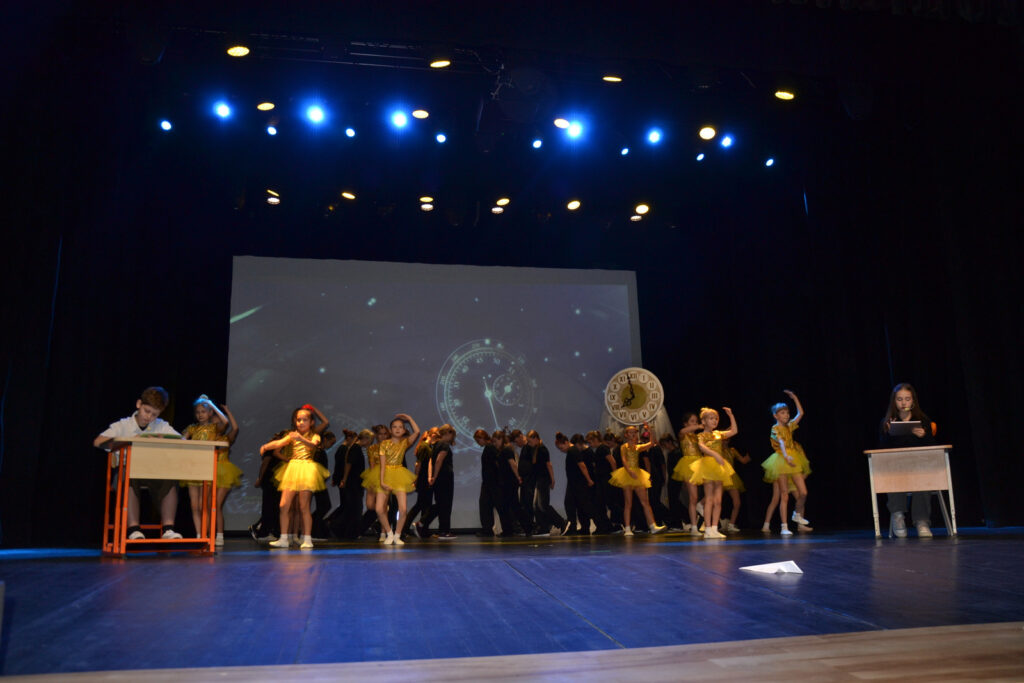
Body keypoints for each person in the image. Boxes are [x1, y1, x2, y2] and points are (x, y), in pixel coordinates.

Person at [93, 386, 183, 540]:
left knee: (171, 478)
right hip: (127, 471)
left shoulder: (161, 425)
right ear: (139, 404)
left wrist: (163, 439)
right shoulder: (123, 425)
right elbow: (98, 441)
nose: (149, 417)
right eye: (147, 411)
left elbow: (181, 440)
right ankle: (133, 529)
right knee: (128, 475)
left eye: (154, 414)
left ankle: (168, 529)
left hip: (152, 472)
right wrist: (127, 441)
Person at [259, 405, 330, 549]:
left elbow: (312, 446)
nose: (301, 422)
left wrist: (300, 438)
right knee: (284, 505)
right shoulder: (292, 435)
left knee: (304, 506)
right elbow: (279, 443)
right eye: (298, 420)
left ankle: (307, 539)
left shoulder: (314, 436)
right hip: (292, 469)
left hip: (306, 469)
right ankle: (284, 538)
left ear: (311, 422)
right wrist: (266, 446)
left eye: (304, 420)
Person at [181, 395, 243, 547]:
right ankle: (199, 535)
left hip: (208, 467)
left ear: (210, 413)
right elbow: (182, 439)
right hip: (194, 466)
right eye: (197, 412)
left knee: (205, 504)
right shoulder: (192, 428)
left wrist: (210, 404)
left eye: (203, 411)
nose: (200, 414)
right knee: (194, 505)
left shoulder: (214, 429)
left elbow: (226, 423)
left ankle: (207, 534)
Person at [879, 383, 936, 538]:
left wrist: (923, 436)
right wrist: (889, 434)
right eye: (899, 399)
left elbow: (932, 448)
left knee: (923, 475)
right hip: (896, 467)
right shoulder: (887, 421)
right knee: (893, 474)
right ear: (894, 401)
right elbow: (882, 450)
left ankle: (921, 521)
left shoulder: (922, 420)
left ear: (913, 401)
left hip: (918, 466)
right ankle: (898, 516)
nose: (903, 403)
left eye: (907, 399)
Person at [761, 391, 811, 535]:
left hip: (793, 458)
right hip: (781, 459)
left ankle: (796, 514)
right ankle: (784, 527)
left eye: (787, 412)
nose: (786, 415)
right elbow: (781, 442)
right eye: (782, 413)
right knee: (784, 495)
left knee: (803, 492)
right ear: (775, 416)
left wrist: (795, 398)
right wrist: (786, 456)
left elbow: (801, 413)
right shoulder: (775, 428)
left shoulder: (790, 426)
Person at [688, 407, 738, 540]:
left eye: (716, 418)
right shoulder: (701, 435)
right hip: (708, 466)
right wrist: (715, 455)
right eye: (711, 418)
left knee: (718, 500)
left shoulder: (718, 434)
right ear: (704, 421)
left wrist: (731, 415)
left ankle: (715, 529)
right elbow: (701, 446)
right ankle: (708, 529)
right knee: (709, 499)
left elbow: (734, 431)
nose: (715, 421)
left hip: (719, 467)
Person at [608, 423, 666, 536]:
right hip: (627, 474)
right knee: (628, 503)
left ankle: (653, 526)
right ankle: (627, 528)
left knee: (645, 502)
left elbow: (652, 443)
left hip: (637, 474)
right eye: (631, 432)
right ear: (626, 435)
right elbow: (624, 460)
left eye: (635, 432)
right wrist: (629, 471)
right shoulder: (624, 447)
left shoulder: (638, 447)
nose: (633, 434)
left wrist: (650, 430)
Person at [372, 414, 421, 545]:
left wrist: (409, 419)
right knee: (379, 509)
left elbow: (417, 431)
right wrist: (382, 481)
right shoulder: (384, 444)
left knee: (403, 509)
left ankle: (397, 535)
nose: (397, 429)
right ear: (390, 430)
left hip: (399, 475)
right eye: (394, 427)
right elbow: (382, 465)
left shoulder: (404, 443)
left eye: (400, 427)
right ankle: (389, 533)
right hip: (386, 475)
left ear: (404, 430)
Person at [332, 429, 371, 539]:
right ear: (366, 439)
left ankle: (347, 531)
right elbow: (348, 464)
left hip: (353, 481)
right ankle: (342, 529)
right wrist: (344, 479)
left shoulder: (354, 448)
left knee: (353, 507)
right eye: (370, 440)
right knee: (354, 507)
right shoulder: (356, 448)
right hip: (353, 482)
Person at [558, 433, 598, 535]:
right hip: (574, 483)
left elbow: (582, 465)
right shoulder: (572, 451)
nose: (561, 450)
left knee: (583, 505)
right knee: (578, 505)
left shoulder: (573, 451)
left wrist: (589, 479)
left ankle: (600, 524)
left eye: (561, 447)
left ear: (566, 442)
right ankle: (581, 527)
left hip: (578, 483)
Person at [528, 430, 567, 535]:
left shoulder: (542, 449)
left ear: (536, 439)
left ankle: (561, 522)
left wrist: (552, 479)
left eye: (530, 441)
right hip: (539, 480)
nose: (529, 443)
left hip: (543, 479)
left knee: (543, 505)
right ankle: (543, 526)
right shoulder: (536, 450)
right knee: (537, 505)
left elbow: (549, 465)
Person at [671, 413, 704, 536]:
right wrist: (699, 426)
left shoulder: (698, 437)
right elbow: (682, 431)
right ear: (686, 424)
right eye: (692, 421)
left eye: (696, 421)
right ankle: (694, 527)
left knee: (715, 486)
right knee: (693, 497)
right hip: (688, 465)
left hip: (700, 464)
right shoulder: (683, 434)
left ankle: (701, 504)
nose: (695, 423)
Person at [406, 428, 438, 538]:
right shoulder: (424, 447)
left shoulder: (428, 446)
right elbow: (418, 464)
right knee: (420, 505)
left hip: (425, 479)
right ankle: (406, 528)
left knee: (424, 505)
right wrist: (416, 478)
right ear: (431, 434)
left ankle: (422, 529)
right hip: (423, 479)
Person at [476, 429, 508, 536]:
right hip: (491, 482)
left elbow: (498, 462)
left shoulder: (489, 448)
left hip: (492, 482)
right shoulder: (490, 447)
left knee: (488, 505)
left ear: (482, 438)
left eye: (478, 440)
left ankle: (489, 529)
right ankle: (494, 529)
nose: (478, 443)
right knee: (490, 505)